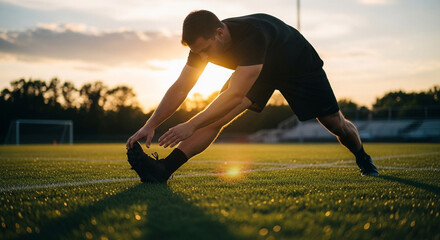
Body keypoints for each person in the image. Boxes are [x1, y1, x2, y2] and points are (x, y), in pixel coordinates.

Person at [125, 10, 379, 183]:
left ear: (220, 33)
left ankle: (363, 158)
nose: (202, 57)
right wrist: (150, 124)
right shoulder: (202, 48)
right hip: (261, 71)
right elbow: (181, 87)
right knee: (215, 119)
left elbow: (236, 94)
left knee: (336, 124)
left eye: (205, 50)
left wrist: (190, 124)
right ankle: (164, 170)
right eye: (197, 52)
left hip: (298, 65)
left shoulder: (252, 35)